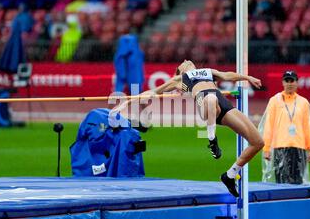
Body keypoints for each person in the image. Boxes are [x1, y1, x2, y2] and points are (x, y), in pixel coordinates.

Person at [113, 60, 264, 197]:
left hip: (224, 105)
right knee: (211, 99)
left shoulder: (207, 71)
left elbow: (227, 75)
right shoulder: (180, 80)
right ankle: (212, 140)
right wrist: (128, 102)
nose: (186, 61)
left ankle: (230, 175)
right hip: (205, 103)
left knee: (257, 142)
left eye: (187, 60)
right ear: (180, 70)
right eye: (182, 63)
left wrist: (248, 78)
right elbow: (152, 92)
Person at [259, 70, 310, 185]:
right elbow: (269, 125)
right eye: (287, 80)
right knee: (281, 183)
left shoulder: (303, 102)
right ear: (283, 83)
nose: (289, 83)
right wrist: (266, 148)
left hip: (299, 147)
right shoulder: (274, 101)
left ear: (297, 83)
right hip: (280, 147)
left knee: (297, 183)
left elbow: (307, 127)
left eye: (292, 80)